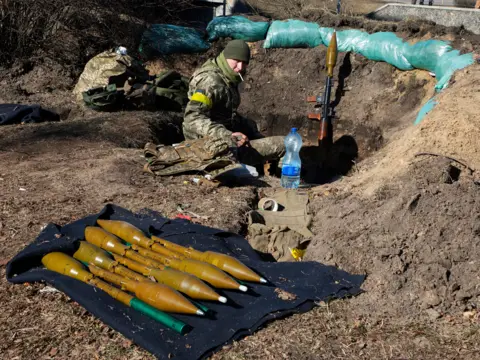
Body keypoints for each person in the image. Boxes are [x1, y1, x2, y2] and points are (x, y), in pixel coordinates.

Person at [183, 39, 285, 166]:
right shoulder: (210, 81)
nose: (240, 67)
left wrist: (250, 130)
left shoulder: (227, 76)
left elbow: (225, 113)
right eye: (236, 61)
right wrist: (227, 135)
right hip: (208, 147)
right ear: (226, 57)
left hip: (221, 138)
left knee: (250, 125)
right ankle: (284, 181)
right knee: (285, 144)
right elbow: (192, 119)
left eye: (244, 63)